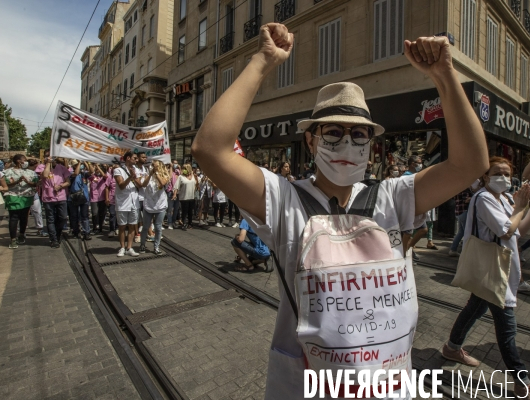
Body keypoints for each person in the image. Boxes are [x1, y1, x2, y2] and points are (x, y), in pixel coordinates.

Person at [191, 23, 489, 398]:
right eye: (333, 132)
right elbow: (209, 150)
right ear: (311, 140)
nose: (347, 143)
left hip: (386, 383)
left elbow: (470, 163)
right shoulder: (284, 200)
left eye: (359, 134)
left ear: (371, 144)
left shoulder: (393, 198)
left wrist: (445, 75)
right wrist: (263, 61)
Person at [442, 157, 530, 400]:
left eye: (507, 173)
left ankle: (451, 348)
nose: (503, 177)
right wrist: (519, 208)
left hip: (498, 269)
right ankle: (521, 382)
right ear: (485, 176)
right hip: (494, 272)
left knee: (474, 307)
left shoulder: (503, 198)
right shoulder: (483, 198)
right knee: (507, 328)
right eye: (497, 172)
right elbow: (506, 229)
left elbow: (519, 231)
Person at [3, 154, 38, 249]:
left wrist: (28, 182)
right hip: (13, 196)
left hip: (26, 197)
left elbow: (35, 184)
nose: (26, 162)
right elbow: (6, 185)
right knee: (14, 217)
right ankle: (13, 239)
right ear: (18, 161)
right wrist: (17, 181)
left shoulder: (31, 172)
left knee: (23, 217)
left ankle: (22, 234)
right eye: (24, 160)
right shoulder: (7, 172)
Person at [114, 152, 141, 257]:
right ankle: (122, 247)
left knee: (132, 226)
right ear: (128, 158)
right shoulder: (118, 170)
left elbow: (140, 186)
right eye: (135, 158)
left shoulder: (136, 170)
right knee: (122, 227)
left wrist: (138, 178)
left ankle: (129, 247)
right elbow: (121, 185)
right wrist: (130, 177)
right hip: (122, 203)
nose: (136, 160)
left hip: (134, 202)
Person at [139, 160, 169, 254]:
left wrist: (156, 174)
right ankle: (142, 245)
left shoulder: (165, 175)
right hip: (149, 204)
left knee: (158, 227)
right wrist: (150, 174)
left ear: (159, 167)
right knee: (146, 226)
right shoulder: (148, 175)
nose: (152, 167)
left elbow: (162, 184)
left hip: (160, 204)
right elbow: (143, 184)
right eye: (152, 166)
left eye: (154, 166)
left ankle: (156, 247)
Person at [42, 157, 71, 248]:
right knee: (51, 219)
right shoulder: (42, 167)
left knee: (62, 217)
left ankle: (57, 235)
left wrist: (60, 186)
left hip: (61, 198)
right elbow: (45, 175)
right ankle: (53, 239)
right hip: (48, 198)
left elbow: (68, 182)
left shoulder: (62, 168)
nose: (52, 160)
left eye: (53, 158)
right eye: (49, 158)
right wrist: (47, 164)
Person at [68, 160, 91, 240]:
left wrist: (86, 163)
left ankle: (86, 232)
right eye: (76, 165)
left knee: (84, 216)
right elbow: (76, 173)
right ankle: (75, 231)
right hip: (73, 198)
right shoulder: (70, 173)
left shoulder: (84, 174)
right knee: (74, 216)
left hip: (84, 197)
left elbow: (91, 171)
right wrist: (79, 163)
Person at [449, 186, 474, 257]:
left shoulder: (457, 188)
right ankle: (465, 252)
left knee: (461, 232)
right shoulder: (465, 188)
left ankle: (453, 249)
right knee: (467, 233)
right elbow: (466, 200)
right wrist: (475, 197)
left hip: (458, 212)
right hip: (464, 212)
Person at [173, 163, 198, 230]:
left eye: (184, 168)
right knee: (184, 211)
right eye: (183, 168)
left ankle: (190, 223)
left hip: (191, 197)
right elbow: (176, 186)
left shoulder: (192, 176)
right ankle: (184, 223)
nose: (183, 170)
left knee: (190, 211)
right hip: (184, 197)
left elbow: (195, 184)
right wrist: (175, 194)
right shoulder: (181, 177)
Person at [88, 163, 108, 234]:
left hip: (102, 198)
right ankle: (94, 227)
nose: (97, 171)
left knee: (102, 213)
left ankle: (100, 227)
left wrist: (98, 167)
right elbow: (90, 172)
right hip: (94, 198)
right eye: (96, 169)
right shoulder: (93, 177)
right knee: (94, 213)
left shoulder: (103, 177)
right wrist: (90, 164)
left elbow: (105, 176)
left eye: (98, 170)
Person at [105, 166, 118, 238]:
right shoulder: (110, 177)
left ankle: (117, 227)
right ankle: (112, 230)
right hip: (112, 199)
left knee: (118, 215)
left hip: (120, 199)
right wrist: (106, 198)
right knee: (112, 214)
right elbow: (106, 188)